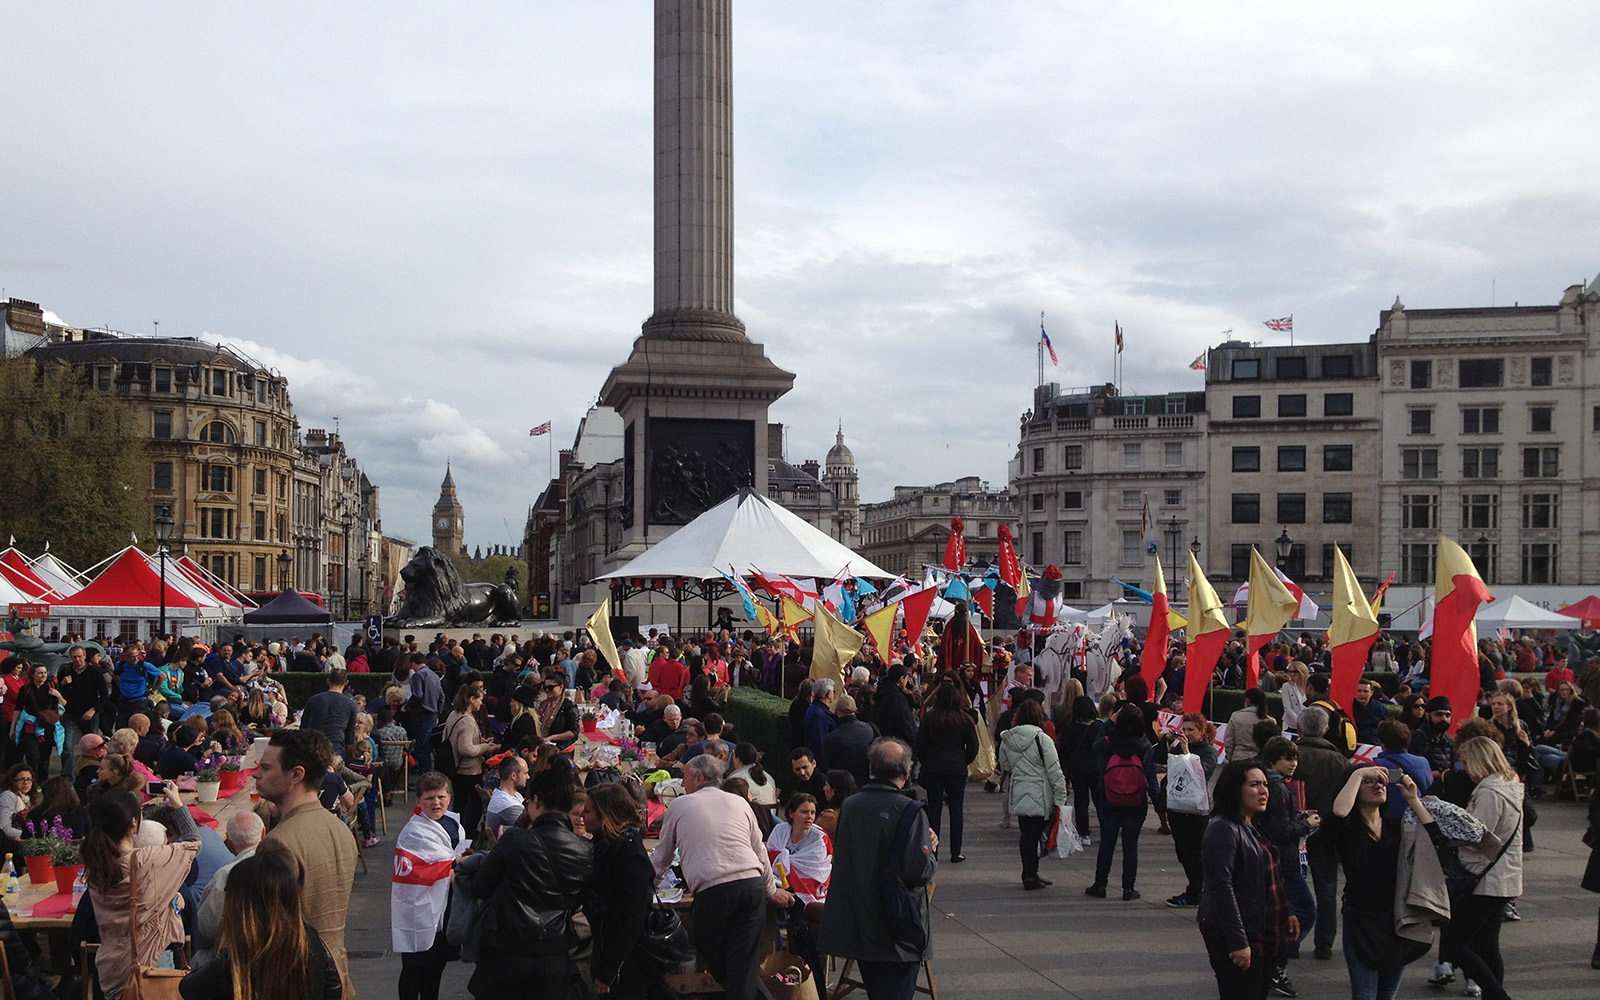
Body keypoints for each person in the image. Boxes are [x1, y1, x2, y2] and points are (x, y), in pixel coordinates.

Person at [651, 754, 793, 1000]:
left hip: (715, 893)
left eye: (685, 776)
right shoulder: (739, 803)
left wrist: (646, 889)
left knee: (725, 964)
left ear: (699, 777)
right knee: (741, 967)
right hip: (750, 888)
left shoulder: (680, 805)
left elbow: (661, 857)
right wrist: (769, 890)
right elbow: (759, 851)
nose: (682, 783)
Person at [818, 738, 937, 1000]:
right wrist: (932, 851)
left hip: (861, 923)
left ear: (872, 769)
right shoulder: (911, 810)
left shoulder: (850, 806)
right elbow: (920, 870)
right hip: (898, 925)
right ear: (906, 775)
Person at [464, 767, 593, 997]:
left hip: (506, 949)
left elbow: (480, 886)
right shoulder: (585, 850)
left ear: (535, 801)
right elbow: (578, 899)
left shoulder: (515, 839)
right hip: (553, 953)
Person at [1328, 765, 1444, 1000]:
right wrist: (1359, 773)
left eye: (1381, 782)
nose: (1378, 785)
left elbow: (1437, 839)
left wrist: (1413, 799)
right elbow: (1339, 812)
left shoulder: (1395, 826)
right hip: (1362, 921)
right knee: (1365, 995)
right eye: (1369, 782)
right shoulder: (1348, 829)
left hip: (1397, 921)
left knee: (1387, 995)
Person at [258, 729, 358, 998]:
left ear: (296, 775)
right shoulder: (340, 830)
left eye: (266, 768)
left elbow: (268, 928)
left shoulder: (279, 842)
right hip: (337, 973)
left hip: (296, 978)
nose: (257, 774)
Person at [178, 843, 343, 1000]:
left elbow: (188, 988)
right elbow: (334, 990)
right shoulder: (308, 939)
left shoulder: (233, 961)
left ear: (239, 907)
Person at [83, 784, 202, 1000]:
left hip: (111, 966)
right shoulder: (149, 861)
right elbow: (194, 843)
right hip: (151, 965)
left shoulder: (95, 865)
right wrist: (177, 804)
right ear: (134, 824)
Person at [1196, 759, 1296, 1000]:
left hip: (1263, 930)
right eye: (1254, 784)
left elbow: (1267, 877)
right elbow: (1221, 888)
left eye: (1265, 784)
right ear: (1234, 789)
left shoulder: (1252, 824)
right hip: (1240, 933)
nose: (1263, 791)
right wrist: (1238, 941)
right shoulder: (1223, 828)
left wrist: (1288, 912)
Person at [1439, 738, 1524, 1000]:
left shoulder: (1489, 791)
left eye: (1466, 762)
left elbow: (1477, 835)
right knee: (1487, 944)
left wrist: (1446, 829)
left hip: (1484, 877)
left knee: (1454, 945)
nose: (1464, 768)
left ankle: (1498, 995)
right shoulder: (1510, 784)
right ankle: (1494, 994)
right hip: (1504, 875)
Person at [392, 772, 470, 1000]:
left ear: (450, 797)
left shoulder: (453, 823)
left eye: (441, 797)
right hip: (418, 906)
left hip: (445, 904)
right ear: (418, 802)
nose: (436, 803)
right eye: (429, 798)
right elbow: (418, 867)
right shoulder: (413, 832)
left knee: (437, 965)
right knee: (414, 966)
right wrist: (455, 866)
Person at [584, 782, 663, 999]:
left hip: (628, 963)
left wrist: (608, 970)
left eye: (588, 810)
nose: (582, 815)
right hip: (613, 952)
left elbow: (629, 919)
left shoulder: (627, 854)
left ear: (606, 815)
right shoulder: (606, 845)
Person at [1257, 736, 1319, 996]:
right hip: (1284, 862)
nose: (1293, 763)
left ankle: (1270, 962)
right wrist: (1308, 825)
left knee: (1281, 914)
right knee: (1305, 911)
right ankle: (1277, 963)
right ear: (1274, 760)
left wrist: (1297, 818)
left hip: (1273, 860)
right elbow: (1280, 830)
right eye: (1288, 758)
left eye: (1295, 758)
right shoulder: (1278, 787)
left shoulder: (1268, 783)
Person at [1295, 707, 1349, 960]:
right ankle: (1324, 941)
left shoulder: (1291, 755)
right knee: (1326, 889)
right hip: (1328, 831)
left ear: (1298, 728)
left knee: (1290, 886)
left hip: (1293, 830)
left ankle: (1291, 939)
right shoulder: (1339, 760)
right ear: (1326, 730)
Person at [1087, 705, 1156, 901]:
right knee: (1130, 845)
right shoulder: (1144, 744)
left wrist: (1110, 721)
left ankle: (1100, 884)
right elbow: (1150, 772)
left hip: (1109, 797)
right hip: (1136, 799)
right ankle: (1128, 888)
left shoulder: (1106, 744)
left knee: (1107, 844)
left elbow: (1094, 744)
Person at [997, 699, 1066, 890]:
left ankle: (1029, 872)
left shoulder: (1007, 740)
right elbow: (1054, 770)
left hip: (1020, 789)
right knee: (1037, 834)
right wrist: (1061, 797)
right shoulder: (1042, 739)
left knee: (1026, 834)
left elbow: (1005, 765)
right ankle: (1031, 872)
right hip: (1040, 791)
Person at [914, 680, 979, 863]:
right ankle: (955, 851)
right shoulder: (964, 719)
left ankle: (933, 849)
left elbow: (920, 744)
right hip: (956, 767)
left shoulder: (931, 718)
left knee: (934, 810)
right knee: (956, 810)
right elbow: (973, 746)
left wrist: (926, 761)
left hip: (934, 766)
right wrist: (963, 761)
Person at [192, 811, 266, 968]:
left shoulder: (227, 875)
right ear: (264, 833)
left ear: (229, 840)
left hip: (236, 959)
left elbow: (205, 931)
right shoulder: (280, 863)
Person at [1165, 713, 1218, 909]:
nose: (1186, 734)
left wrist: (1187, 754)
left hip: (1196, 809)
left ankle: (1197, 892)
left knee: (1195, 853)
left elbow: (1201, 773)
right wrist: (1166, 741)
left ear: (1202, 732)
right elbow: (1158, 759)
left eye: (1191, 730)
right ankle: (1196, 889)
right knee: (1183, 852)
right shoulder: (1179, 746)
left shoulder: (1208, 752)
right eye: (1184, 729)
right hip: (1178, 806)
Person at [442, 685, 496, 839]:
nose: (481, 703)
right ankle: (467, 834)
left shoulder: (454, 714)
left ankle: (457, 833)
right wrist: (485, 746)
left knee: (460, 802)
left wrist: (478, 741)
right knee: (474, 804)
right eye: (479, 699)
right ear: (471, 699)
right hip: (469, 769)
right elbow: (466, 748)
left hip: (456, 767)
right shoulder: (467, 720)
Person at [1056, 695, 1105, 849]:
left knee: (1081, 801)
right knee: (1100, 801)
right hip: (1097, 768)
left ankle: (1084, 833)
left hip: (1078, 768)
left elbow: (1064, 750)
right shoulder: (1099, 726)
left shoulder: (1070, 727)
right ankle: (1105, 830)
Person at [300, 669, 359, 757]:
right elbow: (349, 737)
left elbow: (303, 729)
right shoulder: (351, 705)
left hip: (312, 750)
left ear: (328, 681)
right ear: (346, 683)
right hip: (336, 751)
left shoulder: (313, 700)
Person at [822, 693, 879, 786]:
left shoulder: (833, 737)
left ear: (836, 711)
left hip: (843, 784)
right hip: (865, 782)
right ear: (855, 710)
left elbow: (826, 764)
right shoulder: (868, 729)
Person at [406, 655, 446, 773]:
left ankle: (426, 772)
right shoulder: (434, 675)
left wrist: (407, 706)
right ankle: (426, 770)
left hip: (421, 713)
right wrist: (437, 712)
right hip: (432, 713)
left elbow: (417, 695)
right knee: (425, 744)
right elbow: (442, 697)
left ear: (414, 663)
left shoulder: (418, 675)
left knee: (420, 746)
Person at [485, 754, 528, 837]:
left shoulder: (511, 794)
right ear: (513, 776)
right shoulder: (506, 803)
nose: (528, 777)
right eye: (525, 773)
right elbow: (528, 829)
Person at [1224, 688, 1271, 763]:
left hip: (1239, 758)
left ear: (1247, 700)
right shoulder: (1270, 720)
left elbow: (1229, 740)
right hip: (1261, 761)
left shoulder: (1236, 716)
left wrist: (1230, 757)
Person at [727, 742, 779, 807]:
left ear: (738, 759)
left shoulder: (736, 778)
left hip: (751, 815)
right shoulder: (769, 777)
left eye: (734, 756)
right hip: (770, 816)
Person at [0, 764, 38, 844]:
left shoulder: (28, 798)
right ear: (12, 781)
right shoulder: (8, 796)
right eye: (21, 779)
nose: (26, 783)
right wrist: (30, 837)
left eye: (29, 779)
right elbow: (4, 828)